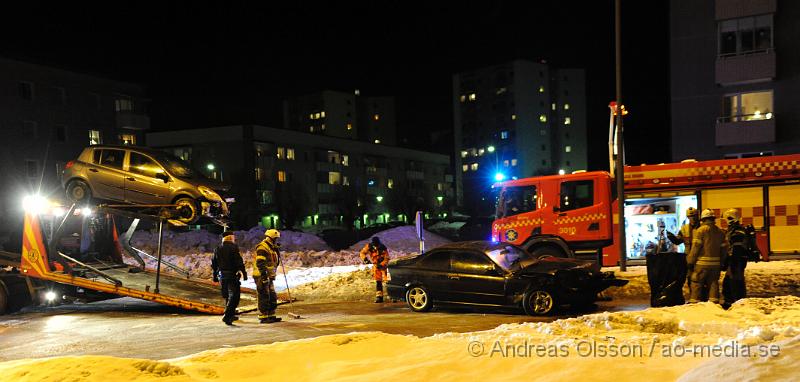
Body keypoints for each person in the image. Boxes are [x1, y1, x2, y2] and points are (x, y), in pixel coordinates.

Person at [686, 209, 728, 304]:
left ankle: (694, 304)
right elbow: (724, 250)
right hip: (716, 265)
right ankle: (714, 304)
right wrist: (721, 262)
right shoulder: (720, 232)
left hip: (701, 264)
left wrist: (690, 262)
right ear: (713, 219)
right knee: (713, 283)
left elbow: (695, 248)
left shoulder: (700, 230)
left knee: (696, 283)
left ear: (703, 219)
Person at [721, 209, 760, 308]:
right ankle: (731, 302)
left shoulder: (737, 230)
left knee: (735, 282)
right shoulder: (735, 229)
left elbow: (737, 248)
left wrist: (730, 261)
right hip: (736, 260)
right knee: (730, 282)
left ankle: (737, 303)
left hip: (737, 260)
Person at [211, 231, 246, 325]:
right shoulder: (233, 247)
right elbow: (238, 261)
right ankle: (227, 315)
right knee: (235, 296)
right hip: (231, 275)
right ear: (231, 238)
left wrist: (214, 275)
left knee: (227, 296)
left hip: (222, 276)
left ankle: (230, 315)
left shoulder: (217, 248)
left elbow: (214, 263)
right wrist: (243, 273)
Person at [667, 207, 700, 293]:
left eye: (694, 216)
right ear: (687, 217)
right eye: (690, 216)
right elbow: (678, 241)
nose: (692, 218)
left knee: (700, 279)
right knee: (690, 278)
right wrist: (671, 237)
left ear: (698, 216)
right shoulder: (684, 228)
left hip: (700, 258)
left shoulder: (702, 228)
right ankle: (693, 296)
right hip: (688, 258)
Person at [253, 229, 282, 323]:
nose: (277, 240)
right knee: (264, 295)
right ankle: (263, 316)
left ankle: (271, 314)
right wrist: (264, 276)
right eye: (276, 238)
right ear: (271, 238)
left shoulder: (271, 247)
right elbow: (260, 263)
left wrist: (276, 250)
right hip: (261, 275)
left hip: (269, 275)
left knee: (272, 295)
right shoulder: (262, 247)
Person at [360, 236, 390, 303]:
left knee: (387, 281)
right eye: (375, 245)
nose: (376, 247)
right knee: (378, 281)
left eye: (377, 245)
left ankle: (392, 296)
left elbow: (387, 258)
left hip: (383, 266)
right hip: (376, 266)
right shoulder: (369, 246)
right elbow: (362, 253)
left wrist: (382, 264)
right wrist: (365, 260)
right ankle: (379, 297)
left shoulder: (383, 247)